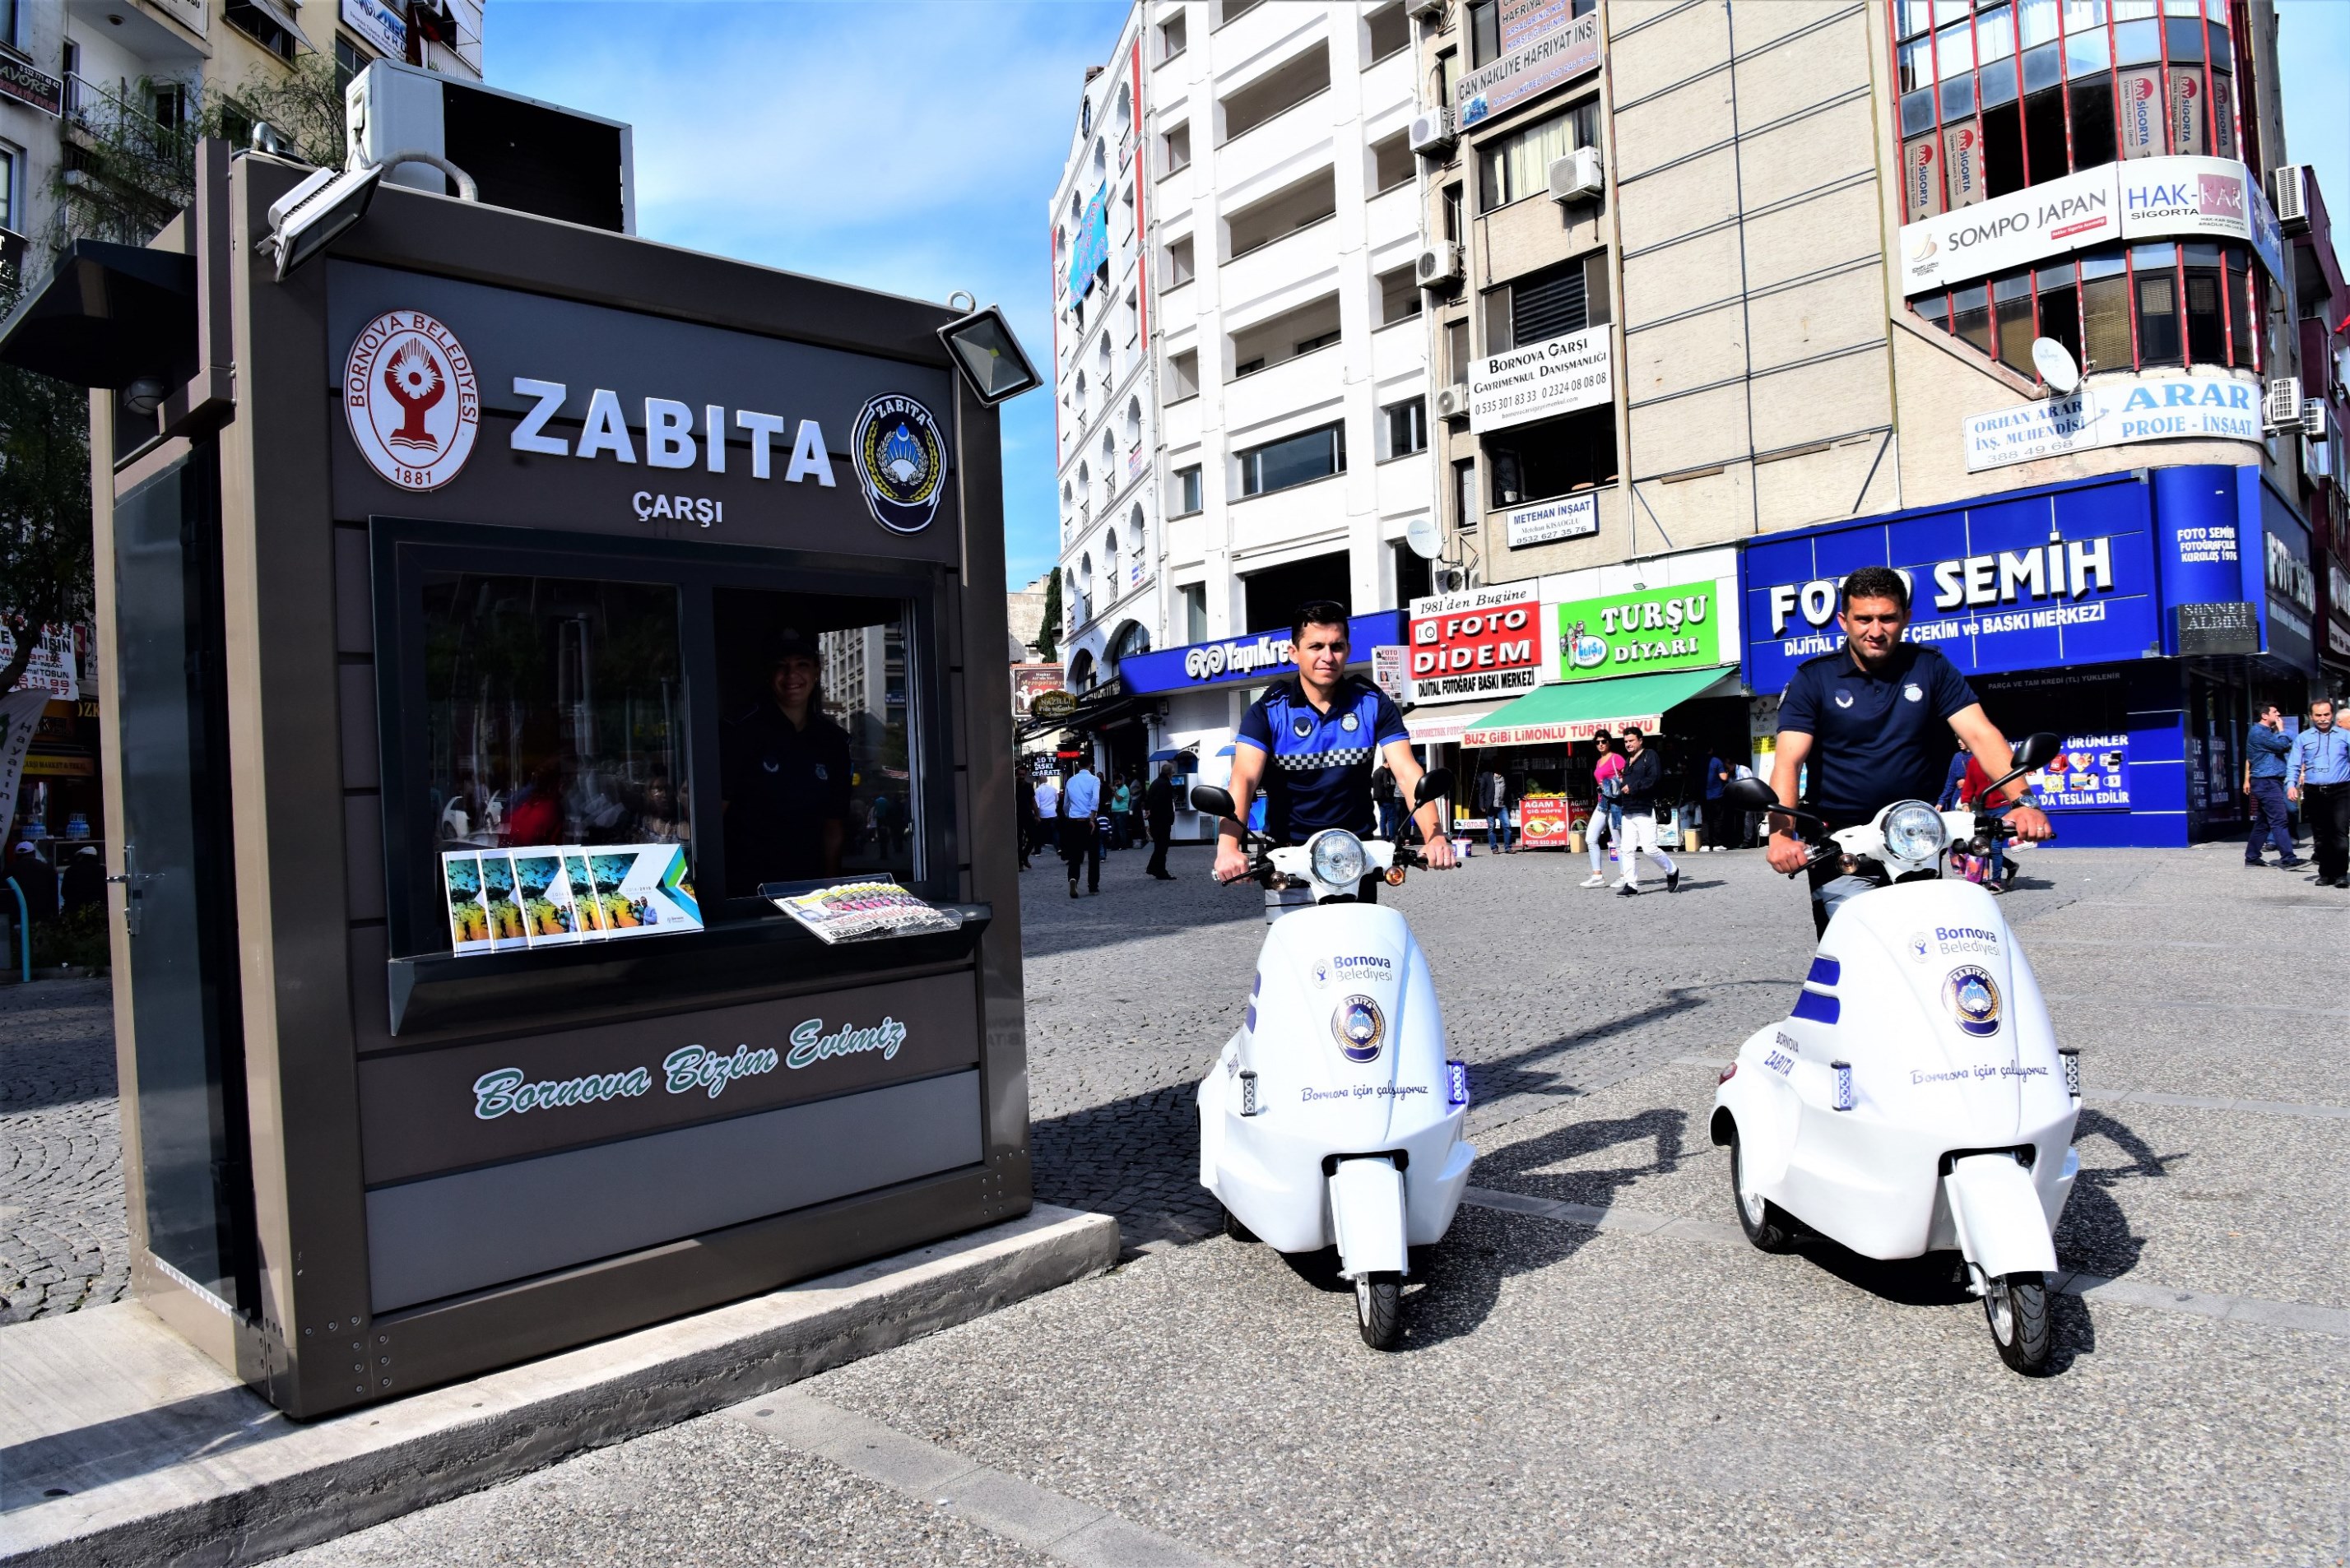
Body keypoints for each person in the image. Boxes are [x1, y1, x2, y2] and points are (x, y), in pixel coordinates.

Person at [1767, 565, 2053, 935]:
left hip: (1916, 836)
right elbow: (1789, 762)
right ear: (1843, 621)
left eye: (1887, 618)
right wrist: (1780, 835)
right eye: (1863, 619)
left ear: (1905, 618)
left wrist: (2024, 802)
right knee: (1858, 948)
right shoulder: (1813, 679)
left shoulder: (1930, 667)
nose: (1875, 630)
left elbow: (1981, 734)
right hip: (1840, 841)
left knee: (1932, 945)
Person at [1214, 601, 1457, 898]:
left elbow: (1407, 773)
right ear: (1294, 652)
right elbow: (1244, 779)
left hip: (1357, 856)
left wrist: (1435, 836)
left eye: (1337, 646)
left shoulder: (1372, 703)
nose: (1327, 657)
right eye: (1316, 646)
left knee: (1368, 931)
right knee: (1291, 931)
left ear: (1348, 650)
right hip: (1288, 860)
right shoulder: (1268, 710)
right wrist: (1228, 847)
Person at [720, 629, 855, 894]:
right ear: (768, 674)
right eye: (781, 666)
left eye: (801, 665)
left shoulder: (833, 741)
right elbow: (715, 815)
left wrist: (831, 891)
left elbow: (833, 826)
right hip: (747, 891)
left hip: (810, 893)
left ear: (816, 672)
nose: (792, 675)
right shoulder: (739, 732)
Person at [2287, 697, 2348, 888]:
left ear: (2332, 715)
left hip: (2341, 790)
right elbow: (2294, 764)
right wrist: (2291, 785)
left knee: (2339, 832)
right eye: (2318, 715)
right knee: (2321, 836)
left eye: (2326, 714)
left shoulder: (2345, 736)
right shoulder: (2303, 738)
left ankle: (2341, 874)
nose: (2323, 719)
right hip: (2314, 792)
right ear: (2311, 716)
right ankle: (2326, 873)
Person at [1613, 726, 1680, 895]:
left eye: (1631, 741)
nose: (1628, 744)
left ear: (1640, 740)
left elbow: (1654, 778)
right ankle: (1631, 884)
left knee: (1649, 848)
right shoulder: (1627, 761)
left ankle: (1672, 870)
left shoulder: (1650, 756)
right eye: (1626, 741)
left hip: (1645, 808)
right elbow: (1626, 785)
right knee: (1626, 849)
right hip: (1628, 810)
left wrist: (1632, 787)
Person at [2243, 703, 2304, 870]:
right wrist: (2282, 729)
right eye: (2275, 712)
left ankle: (2252, 857)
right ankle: (2288, 858)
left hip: (2269, 782)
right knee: (2279, 820)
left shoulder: (2266, 732)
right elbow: (2282, 746)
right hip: (2267, 782)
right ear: (2264, 715)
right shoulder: (2259, 732)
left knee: (2263, 823)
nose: (2278, 714)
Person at [1581, 733, 1623, 888]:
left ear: (1609, 742)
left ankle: (1624, 876)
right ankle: (1597, 876)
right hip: (1602, 803)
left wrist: (1614, 784)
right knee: (1590, 838)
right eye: (1597, 742)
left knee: (1618, 843)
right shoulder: (1599, 761)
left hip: (1615, 804)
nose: (1600, 744)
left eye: (1604, 741)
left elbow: (1628, 776)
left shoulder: (1616, 758)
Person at [1061, 758, 1103, 897]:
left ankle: (1073, 879)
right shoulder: (1094, 780)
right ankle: (1093, 886)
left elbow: (1066, 803)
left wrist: (1069, 816)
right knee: (1093, 855)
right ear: (1091, 765)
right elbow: (1095, 799)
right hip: (1088, 821)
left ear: (1078, 765)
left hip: (1074, 821)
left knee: (1074, 854)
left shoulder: (1071, 781)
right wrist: (1092, 818)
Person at [6, 840, 56, 926]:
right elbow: (54, 894)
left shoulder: (9, 870)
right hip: (42, 915)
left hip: (18, 916)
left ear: (16, 856)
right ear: (34, 853)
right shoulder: (47, 869)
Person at [1145, 760, 1178, 879]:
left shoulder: (1155, 783)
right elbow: (1165, 804)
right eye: (1173, 773)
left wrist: (1148, 811)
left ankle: (1156, 869)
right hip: (1162, 820)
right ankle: (1158, 870)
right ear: (1170, 773)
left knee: (1160, 846)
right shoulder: (1165, 784)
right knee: (1162, 846)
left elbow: (1148, 800)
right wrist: (1170, 818)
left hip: (1155, 820)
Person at [60, 846, 105, 915]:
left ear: (82, 857)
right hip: (97, 909)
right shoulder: (102, 870)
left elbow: (65, 891)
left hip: (75, 909)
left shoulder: (71, 870)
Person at [1478, 766, 1514, 854]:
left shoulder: (1505, 776)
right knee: (1491, 827)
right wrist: (1482, 805)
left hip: (1502, 805)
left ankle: (1508, 848)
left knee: (1507, 826)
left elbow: (1512, 787)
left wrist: (1521, 794)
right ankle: (1494, 848)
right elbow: (1481, 792)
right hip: (1490, 806)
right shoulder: (1487, 776)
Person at [1702, 751, 1730, 851]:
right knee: (1717, 819)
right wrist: (1727, 771)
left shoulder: (1699, 761)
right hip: (1716, 794)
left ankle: (1705, 844)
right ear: (1711, 749)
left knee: (1705, 820)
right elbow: (1723, 777)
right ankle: (1717, 844)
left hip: (1704, 795)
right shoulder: (1716, 761)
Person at [1371, 763, 1403, 842]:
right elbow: (1386, 785)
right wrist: (1392, 788)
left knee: (1383, 818)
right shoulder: (1385, 772)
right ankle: (1392, 838)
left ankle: (1383, 837)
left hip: (1378, 798)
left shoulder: (1376, 772)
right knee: (1391, 818)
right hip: (1386, 798)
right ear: (1388, 763)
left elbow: (1373, 785)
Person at [1033, 769, 1061, 856]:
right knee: (1055, 831)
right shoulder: (1053, 789)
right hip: (1053, 813)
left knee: (1039, 833)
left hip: (1043, 814)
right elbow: (1057, 800)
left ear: (1039, 781)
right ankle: (1058, 848)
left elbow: (1037, 804)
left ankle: (1038, 851)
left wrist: (1037, 816)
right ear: (1047, 780)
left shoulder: (1037, 790)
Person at [1016, 770, 1038, 870]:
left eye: (1023, 774)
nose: (1021, 776)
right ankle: (1020, 862)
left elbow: (1033, 801)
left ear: (1025, 775)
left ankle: (1023, 857)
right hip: (1016, 816)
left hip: (1028, 815)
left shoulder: (1029, 787)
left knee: (1033, 838)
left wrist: (1037, 815)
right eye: (1020, 774)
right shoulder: (1013, 787)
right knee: (1019, 840)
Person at [1109, 774, 1133, 851]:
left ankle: (1123, 845)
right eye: (1115, 782)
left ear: (1122, 781)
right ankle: (1115, 846)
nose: (1116, 783)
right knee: (1114, 829)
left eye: (1118, 782)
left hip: (1121, 811)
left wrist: (1114, 791)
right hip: (1116, 812)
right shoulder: (1118, 789)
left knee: (1121, 829)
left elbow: (1118, 799)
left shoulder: (1124, 789)